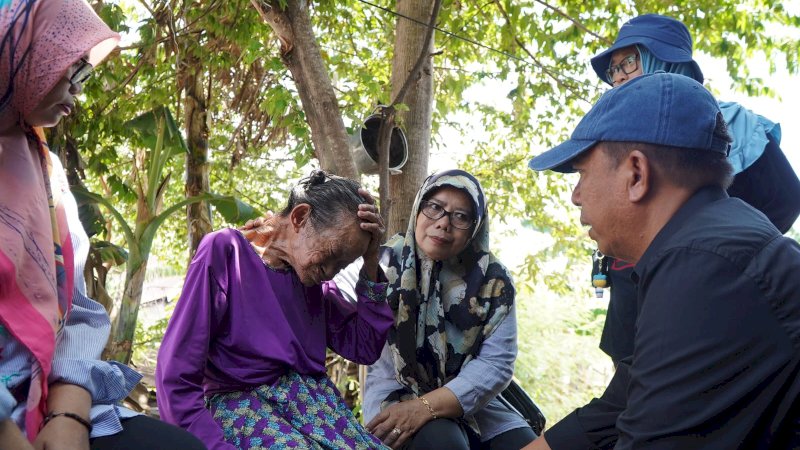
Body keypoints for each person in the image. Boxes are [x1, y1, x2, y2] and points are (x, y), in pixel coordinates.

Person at [525, 72, 800, 449]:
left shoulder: (704, 267)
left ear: (636, 173)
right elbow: (617, 407)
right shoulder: (706, 241)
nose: (575, 196)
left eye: (582, 173)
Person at [0, 0, 205, 449]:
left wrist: (70, 410)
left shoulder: (45, 173)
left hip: (43, 395)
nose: (77, 92)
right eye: (70, 70)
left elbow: (73, 306)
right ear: (22, 53)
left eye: (84, 74)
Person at [589, 13, 800, 365]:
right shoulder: (615, 135)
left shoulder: (729, 124)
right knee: (628, 387)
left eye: (629, 60)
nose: (619, 74)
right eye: (613, 70)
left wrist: (716, 260)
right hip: (632, 294)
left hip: (702, 304)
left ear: (666, 59)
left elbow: (784, 198)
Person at [155, 170, 394, 450]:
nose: (329, 273)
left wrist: (371, 258)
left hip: (319, 412)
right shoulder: (227, 252)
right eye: (329, 256)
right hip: (245, 409)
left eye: (341, 266)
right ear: (300, 217)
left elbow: (363, 346)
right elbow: (176, 374)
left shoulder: (309, 279)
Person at [360, 170, 537, 450]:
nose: (444, 223)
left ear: (475, 227)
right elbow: (355, 322)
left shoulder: (493, 280)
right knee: (445, 444)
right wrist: (366, 262)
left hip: (469, 395)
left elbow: (497, 363)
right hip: (398, 391)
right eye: (435, 208)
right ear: (419, 209)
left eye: (461, 216)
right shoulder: (383, 261)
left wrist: (426, 406)